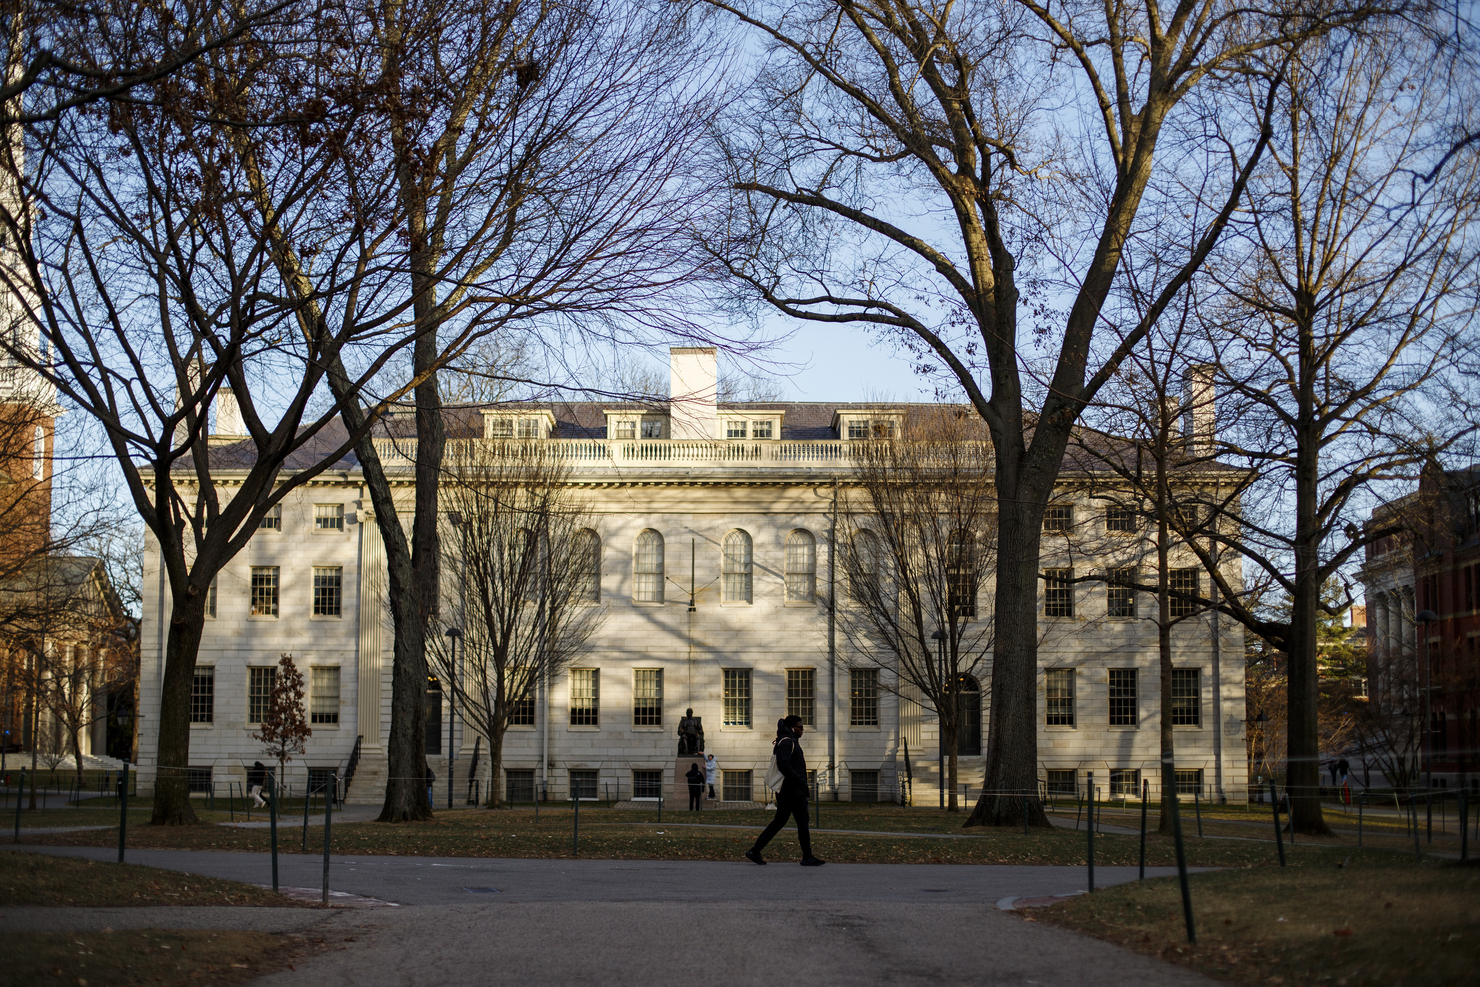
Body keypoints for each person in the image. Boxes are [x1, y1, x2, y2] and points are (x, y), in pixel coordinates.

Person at [746, 715, 824, 866]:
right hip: (792, 791)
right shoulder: (786, 742)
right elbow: (783, 764)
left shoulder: (788, 741)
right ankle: (807, 857)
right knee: (802, 821)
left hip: (789, 791)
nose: (803, 730)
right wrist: (799, 780)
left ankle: (755, 851)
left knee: (780, 821)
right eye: (800, 727)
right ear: (792, 728)